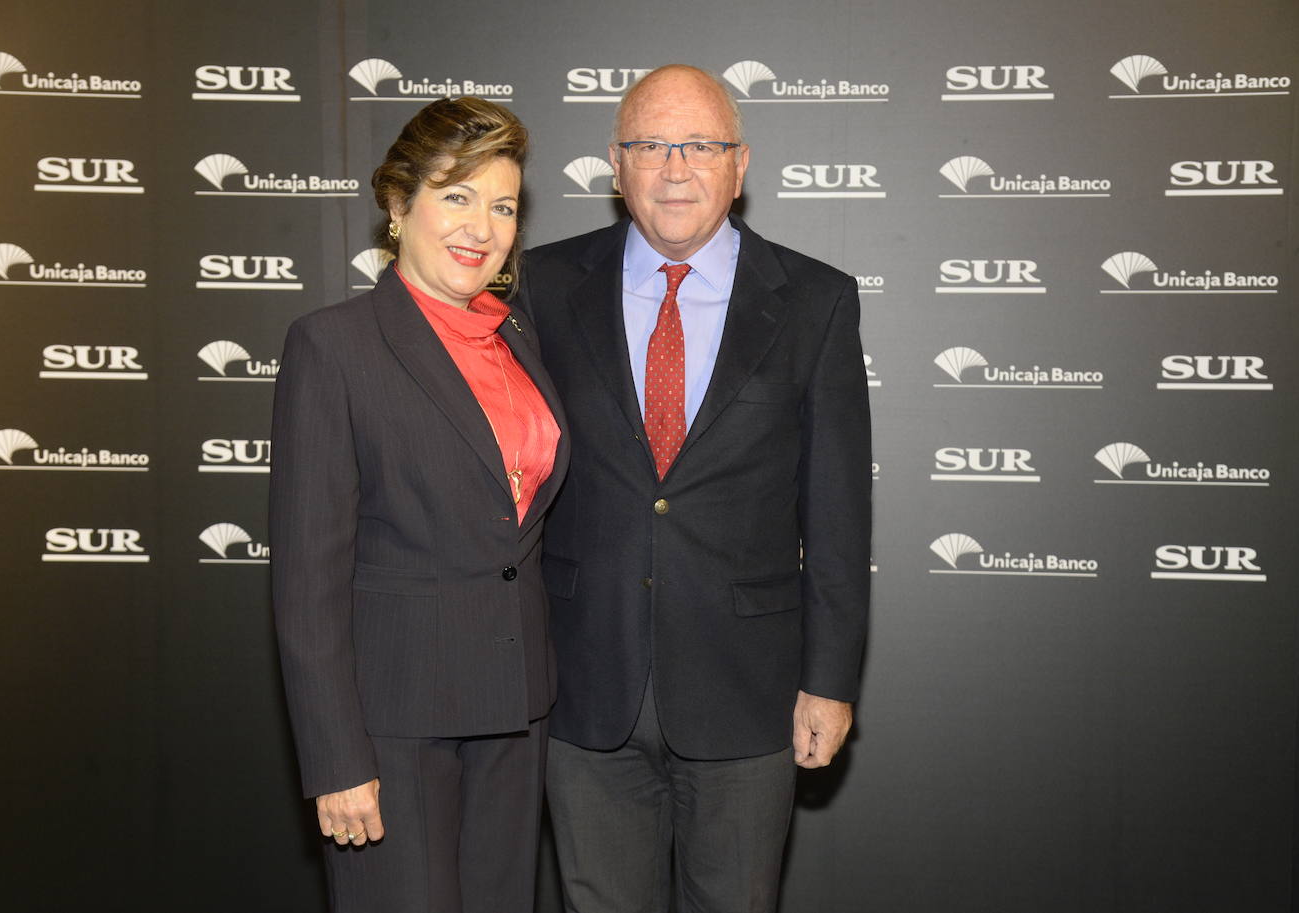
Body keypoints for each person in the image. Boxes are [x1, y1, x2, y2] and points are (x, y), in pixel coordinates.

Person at [518, 65, 871, 913]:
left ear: (740, 164)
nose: (675, 168)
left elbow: (837, 515)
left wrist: (830, 678)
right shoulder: (536, 286)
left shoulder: (816, 300)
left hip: (747, 690)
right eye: (649, 145)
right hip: (582, 681)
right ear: (615, 163)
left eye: (702, 145)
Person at [269, 97, 567, 913]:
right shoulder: (333, 346)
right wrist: (336, 757)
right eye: (456, 195)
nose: (482, 225)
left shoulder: (517, 343)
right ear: (399, 206)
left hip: (516, 709)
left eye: (502, 205)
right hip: (394, 728)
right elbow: (307, 578)